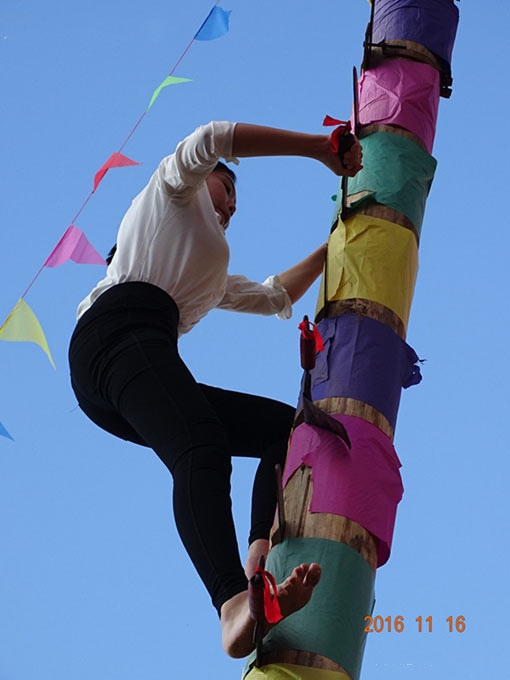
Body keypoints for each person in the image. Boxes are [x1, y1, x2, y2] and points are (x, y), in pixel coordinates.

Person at [68, 120, 362, 658]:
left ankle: (256, 563)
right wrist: (320, 149)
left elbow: (274, 296)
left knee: (286, 430)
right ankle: (231, 605)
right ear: (203, 179)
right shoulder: (172, 189)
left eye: (234, 205)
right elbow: (214, 136)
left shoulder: (207, 275)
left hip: (129, 364)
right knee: (200, 447)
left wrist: (335, 245)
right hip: (115, 337)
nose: (230, 207)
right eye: (227, 189)